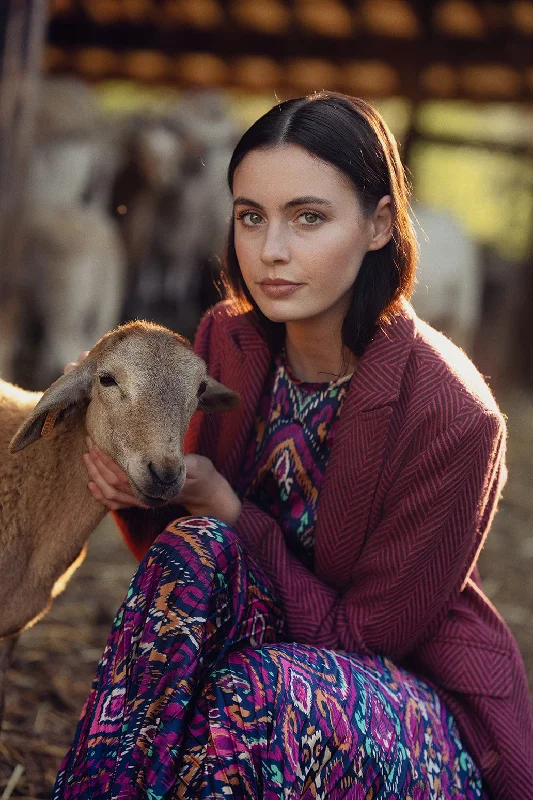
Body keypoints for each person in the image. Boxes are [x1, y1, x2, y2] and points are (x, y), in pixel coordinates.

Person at [53, 92, 533, 799]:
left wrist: (227, 507)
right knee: (195, 559)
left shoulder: (453, 415)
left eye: (308, 217)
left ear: (376, 224)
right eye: (251, 217)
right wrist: (156, 497)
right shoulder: (229, 340)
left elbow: (366, 637)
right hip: (264, 664)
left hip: (410, 706)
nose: (270, 251)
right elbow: (199, 578)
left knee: (255, 690)